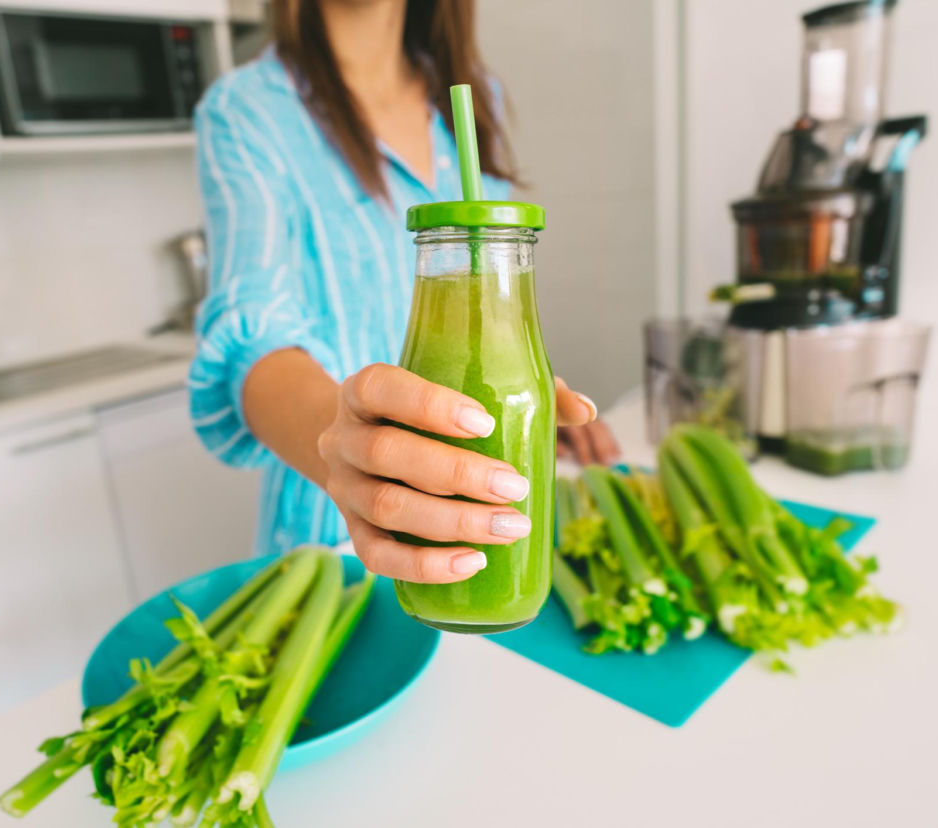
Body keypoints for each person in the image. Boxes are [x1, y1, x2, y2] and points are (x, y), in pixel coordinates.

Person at [190, 0, 619, 585]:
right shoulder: (247, 111)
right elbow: (250, 333)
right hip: (338, 536)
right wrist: (347, 445)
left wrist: (532, 397)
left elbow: (492, 298)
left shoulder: (470, 96)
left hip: (488, 512)